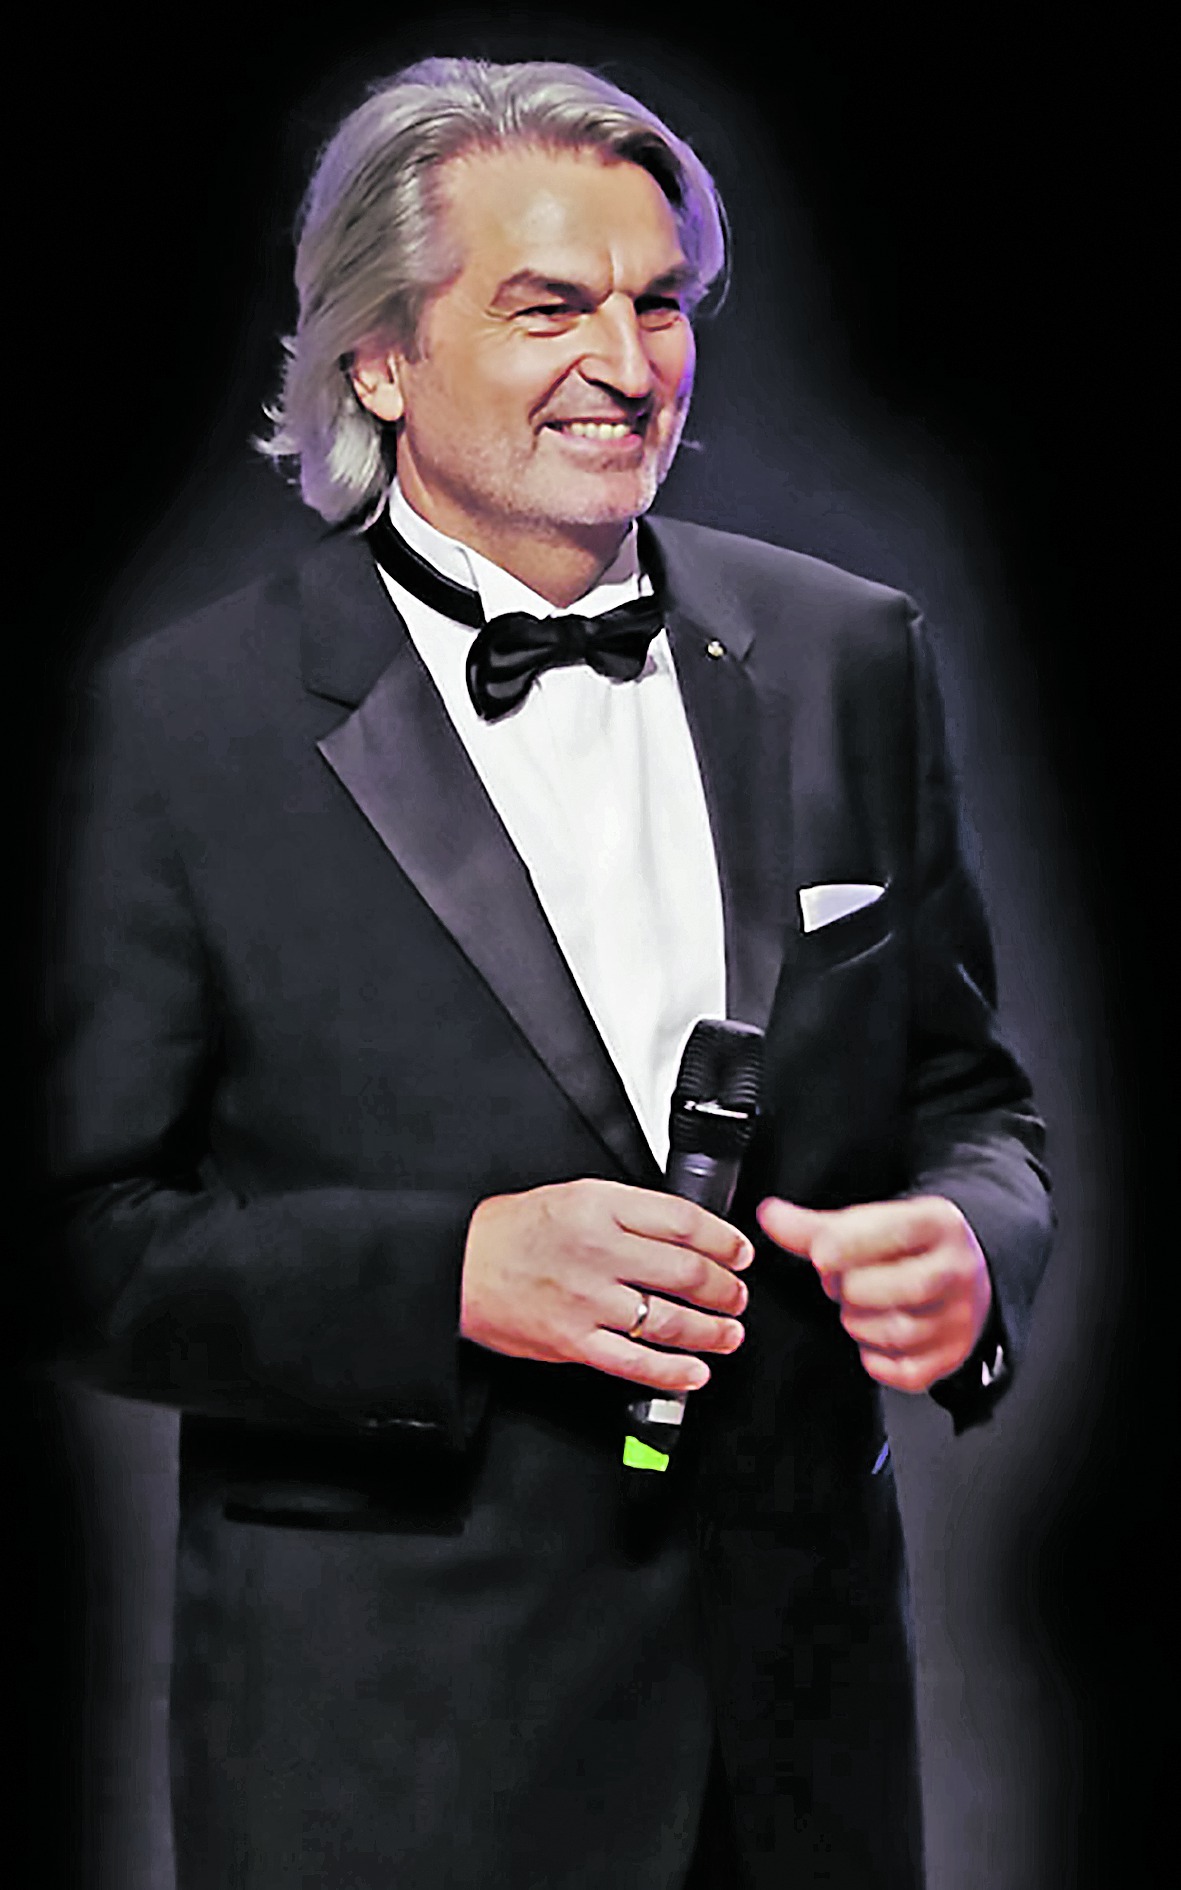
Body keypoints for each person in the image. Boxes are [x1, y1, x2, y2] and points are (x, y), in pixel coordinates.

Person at [47, 56, 1052, 1890]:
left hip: (801, 1745)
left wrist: (971, 1245)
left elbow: (969, 1100)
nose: (626, 359)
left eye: (655, 303)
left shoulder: (848, 654)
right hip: (395, 1772)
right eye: (546, 307)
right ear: (376, 361)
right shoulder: (181, 728)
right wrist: (450, 1273)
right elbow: (74, 1234)